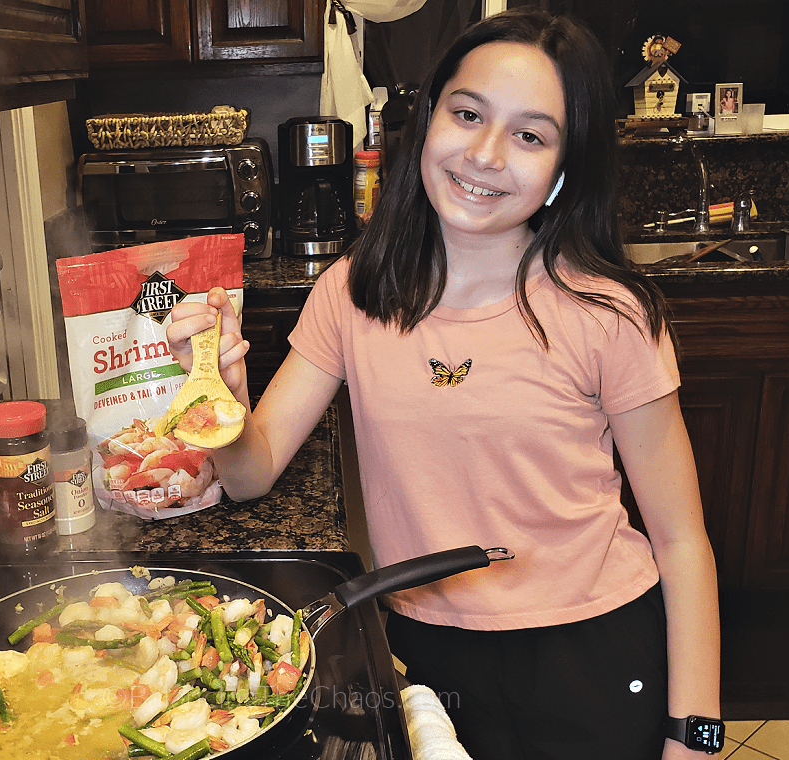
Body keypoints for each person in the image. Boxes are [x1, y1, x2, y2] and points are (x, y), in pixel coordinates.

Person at [166, 8, 721, 759]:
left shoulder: (608, 313)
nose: (486, 155)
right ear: (428, 120)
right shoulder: (351, 292)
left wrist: (697, 733)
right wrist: (220, 399)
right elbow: (252, 473)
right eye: (467, 114)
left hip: (593, 648)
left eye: (530, 135)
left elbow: (682, 539)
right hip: (427, 647)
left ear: (566, 166)